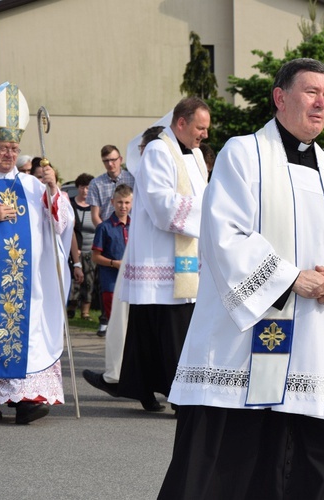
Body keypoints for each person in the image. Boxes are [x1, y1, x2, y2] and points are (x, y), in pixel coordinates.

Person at [158, 58, 324, 500]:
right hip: (246, 342)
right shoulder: (243, 153)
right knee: (231, 462)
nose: (322, 103)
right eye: (311, 92)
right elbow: (224, 234)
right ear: (280, 97)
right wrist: (291, 277)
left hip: (317, 341)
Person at [116, 98, 210, 413]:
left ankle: (142, 386)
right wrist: (211, 210)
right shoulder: (158, 150)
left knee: (152, 327)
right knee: (171, 329)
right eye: (200, 127)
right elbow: (161, 204)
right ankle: (179, 395)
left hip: (185, 255)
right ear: (180, 123)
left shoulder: (195, 155)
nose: (205, 135)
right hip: (160, 256)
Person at [0, 82, 74, 424]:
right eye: (2, 148)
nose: (9, 154)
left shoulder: (31, 184)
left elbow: (61, 222)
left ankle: (25, 400)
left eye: (13, 147)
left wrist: (53, 189)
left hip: (28, 284)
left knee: (27, 331)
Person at [83, 125, 164, 394]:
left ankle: (123, 379)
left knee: (139, 327)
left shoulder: (144, 174)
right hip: (125, 247)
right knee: (130, 325)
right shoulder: (100, 184)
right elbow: (96, 217)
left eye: (141, 148)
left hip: (146, 258)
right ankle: (133, 382)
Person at [91, 184, 132, 335]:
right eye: (120, 202)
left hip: (131, 282)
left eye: (127, 202)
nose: (123, 206)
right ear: (112, 202)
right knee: (115, 325)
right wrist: (114, 264)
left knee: (130, 325)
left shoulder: (135, 226)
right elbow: (95, 257)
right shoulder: (104, 227)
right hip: (111, 282)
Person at [67, 173, 96, 320]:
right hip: (75, 250)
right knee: (75, 282)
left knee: (89, 282)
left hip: (91, 251)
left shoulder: (95, 206)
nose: (85, 191)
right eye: (82, 188)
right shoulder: (71, 204)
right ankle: (71, 307)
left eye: (88, 188)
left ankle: (85, 312)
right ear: (78, 188)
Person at [87, 145, 135, 227]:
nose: (109, 164)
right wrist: (106, 232)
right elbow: (95, 216)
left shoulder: (133, 179)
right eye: (106, 161)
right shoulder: (96, 183)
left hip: (131, 229)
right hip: (108, 230)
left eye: (113, 160)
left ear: (120, 159)